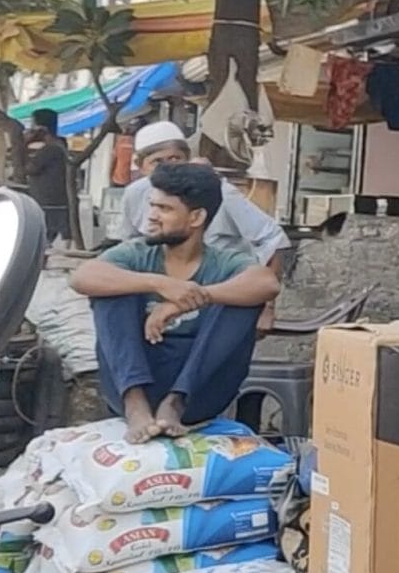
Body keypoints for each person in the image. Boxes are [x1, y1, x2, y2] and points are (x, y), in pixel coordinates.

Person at [72, 161, 280, 443]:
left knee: (241, 300)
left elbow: (267, 283)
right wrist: (160, 284)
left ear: (196, 218)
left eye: (164, 209)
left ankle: (174, 403)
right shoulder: (137, 253)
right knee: (112, 288)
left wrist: (192, 299)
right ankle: (136, 405)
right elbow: (83, 277)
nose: (152, 216)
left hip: (198, 394)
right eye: (152, 205)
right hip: (132, 385)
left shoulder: (222, 261)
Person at [119, 120, 288, 266]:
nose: (168, 168)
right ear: (141, 167)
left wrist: (264, 296)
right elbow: (130, 244)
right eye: (157, 162)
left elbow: (273, 238)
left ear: (188, 159)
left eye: (175, 159)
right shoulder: (135, 194)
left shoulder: (218, 190)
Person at [22, 108, 73, 241]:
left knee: (42, 240)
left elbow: (30, 169)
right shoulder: (60, 145)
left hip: (49, 204)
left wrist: (24, 143)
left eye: (33, 126)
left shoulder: (50, 149)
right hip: (56, 202)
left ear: (41, 129)